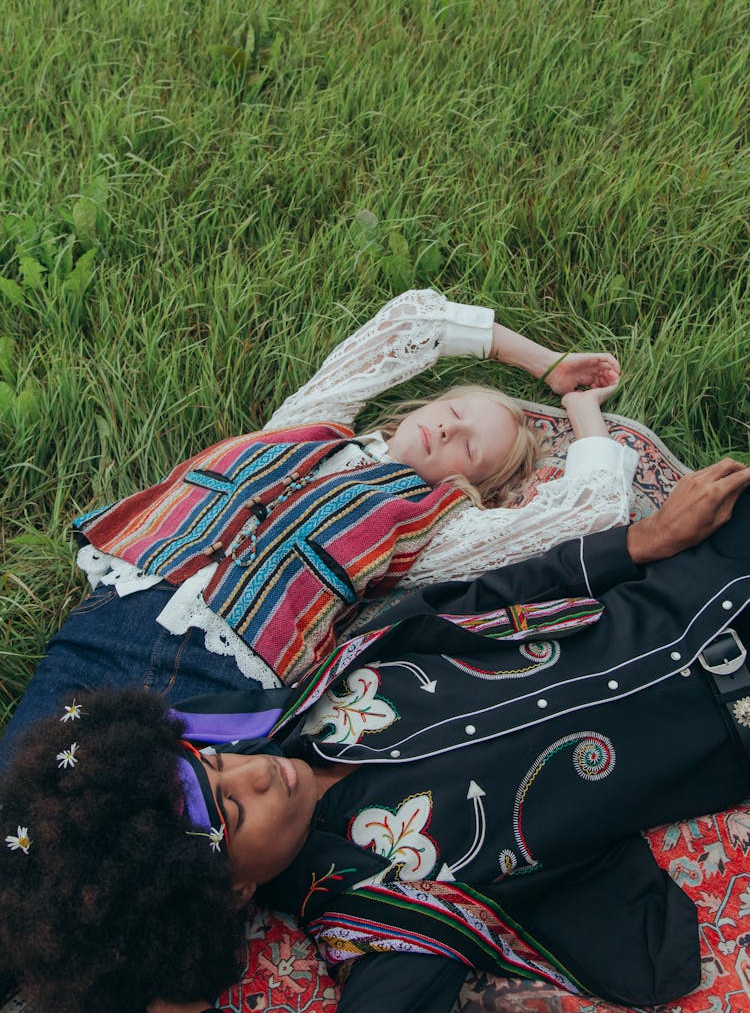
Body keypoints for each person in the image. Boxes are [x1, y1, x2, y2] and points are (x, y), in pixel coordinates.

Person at [2, 460, 749, 1013]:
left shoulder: (325, 692)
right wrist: (172, 1004)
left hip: (701, 579)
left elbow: (476, 600)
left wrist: (641, 540)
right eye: (231, 812)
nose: (259, 772)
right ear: (231, 893)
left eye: (220, 757)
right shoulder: (373, 912)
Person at [0, 289, 633, 763]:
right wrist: (547, 365)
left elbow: (593, 509)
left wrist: (581, 414)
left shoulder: (433, 528)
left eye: (468, 447)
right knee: (15, 802)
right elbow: (415, 321)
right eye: (455, 410)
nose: (448, 428)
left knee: (110, 853)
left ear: (468, 484)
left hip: (221, 677)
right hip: (115, 617)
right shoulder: (314, 419)